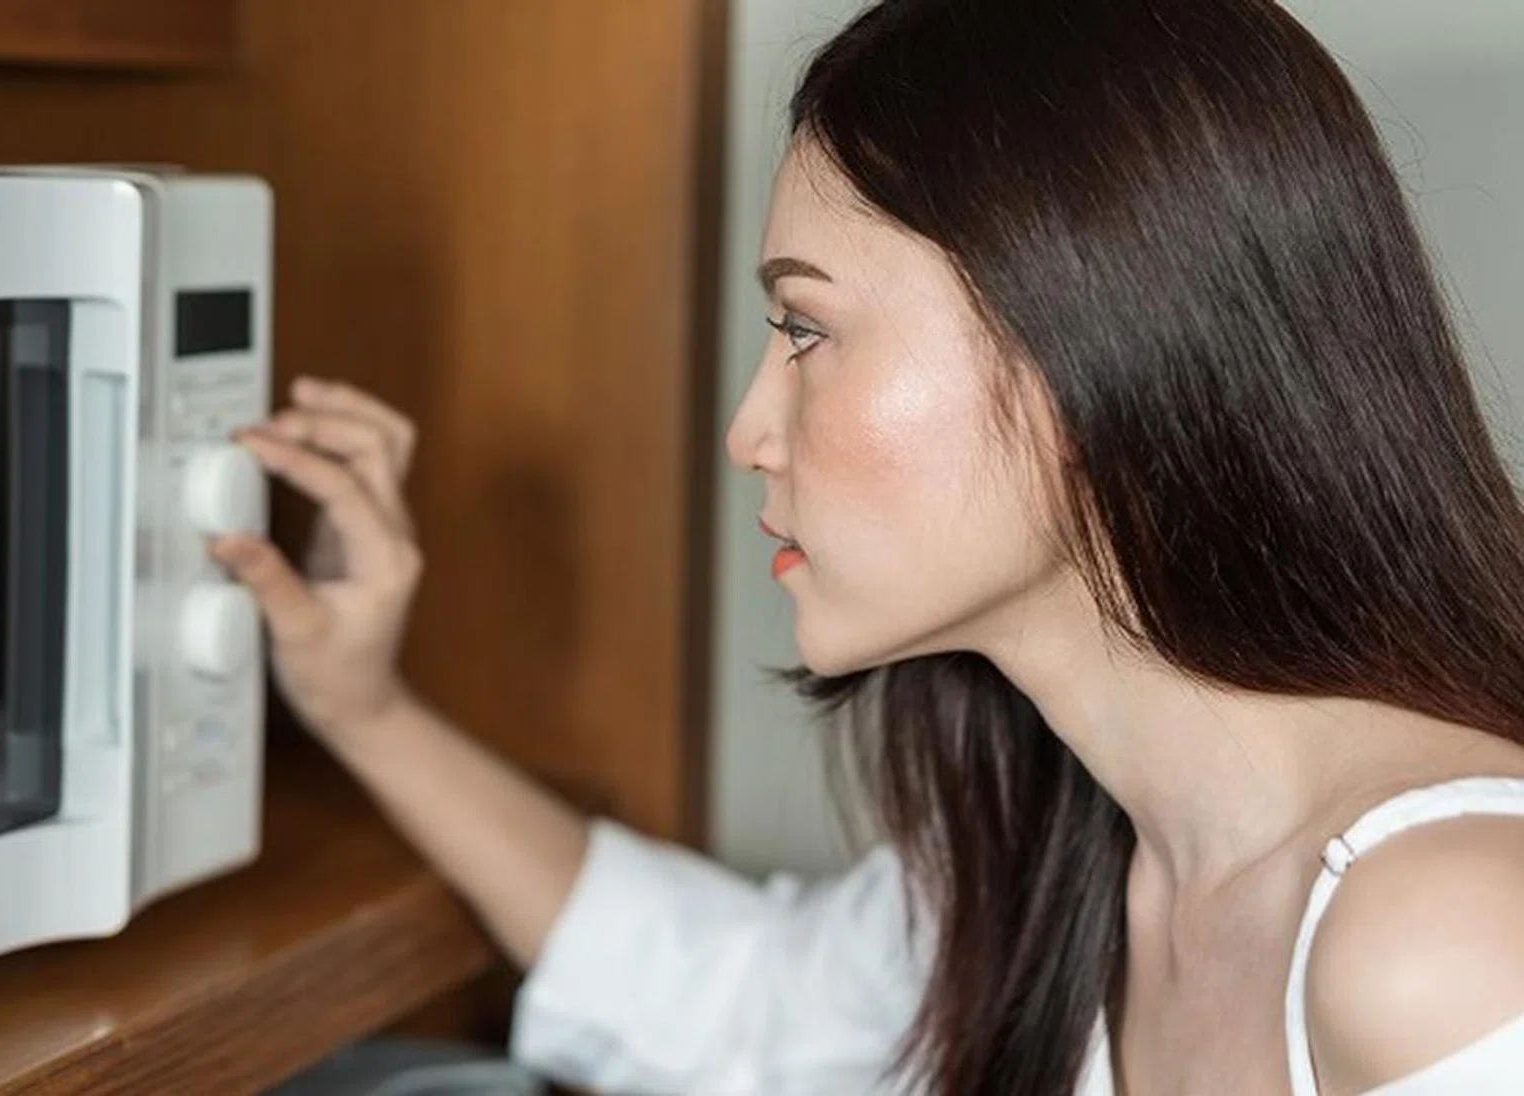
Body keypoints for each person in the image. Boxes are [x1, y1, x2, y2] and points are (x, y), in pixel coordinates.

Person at [211, 0, 1524, 1092]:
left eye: (806, 331)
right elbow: (736, 1005)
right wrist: (361, 706)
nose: (748, 432)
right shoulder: (1076, 848)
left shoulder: (1450, 949)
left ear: (1091, 337)